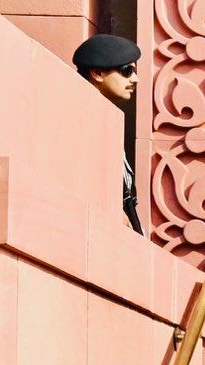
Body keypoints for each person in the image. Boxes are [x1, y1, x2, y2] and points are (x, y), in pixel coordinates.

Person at [71, 32, 141, 233]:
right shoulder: (79, 116)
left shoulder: (105, 119)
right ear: (97, 73)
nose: (135, 79)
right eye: (127, 70)